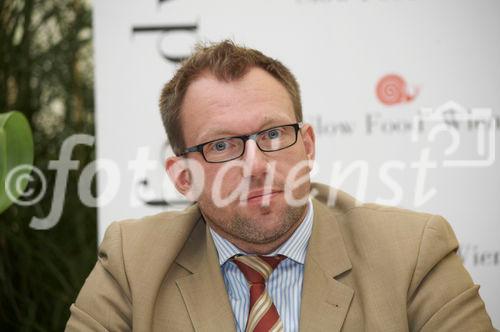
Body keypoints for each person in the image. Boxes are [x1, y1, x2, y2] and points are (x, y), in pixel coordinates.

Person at [66, 40, 494, 331]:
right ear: (183, 177)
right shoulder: (132, 263)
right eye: (222, 145)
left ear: (307, 146)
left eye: (272, 135)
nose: (256, 165)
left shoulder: (414, 252)